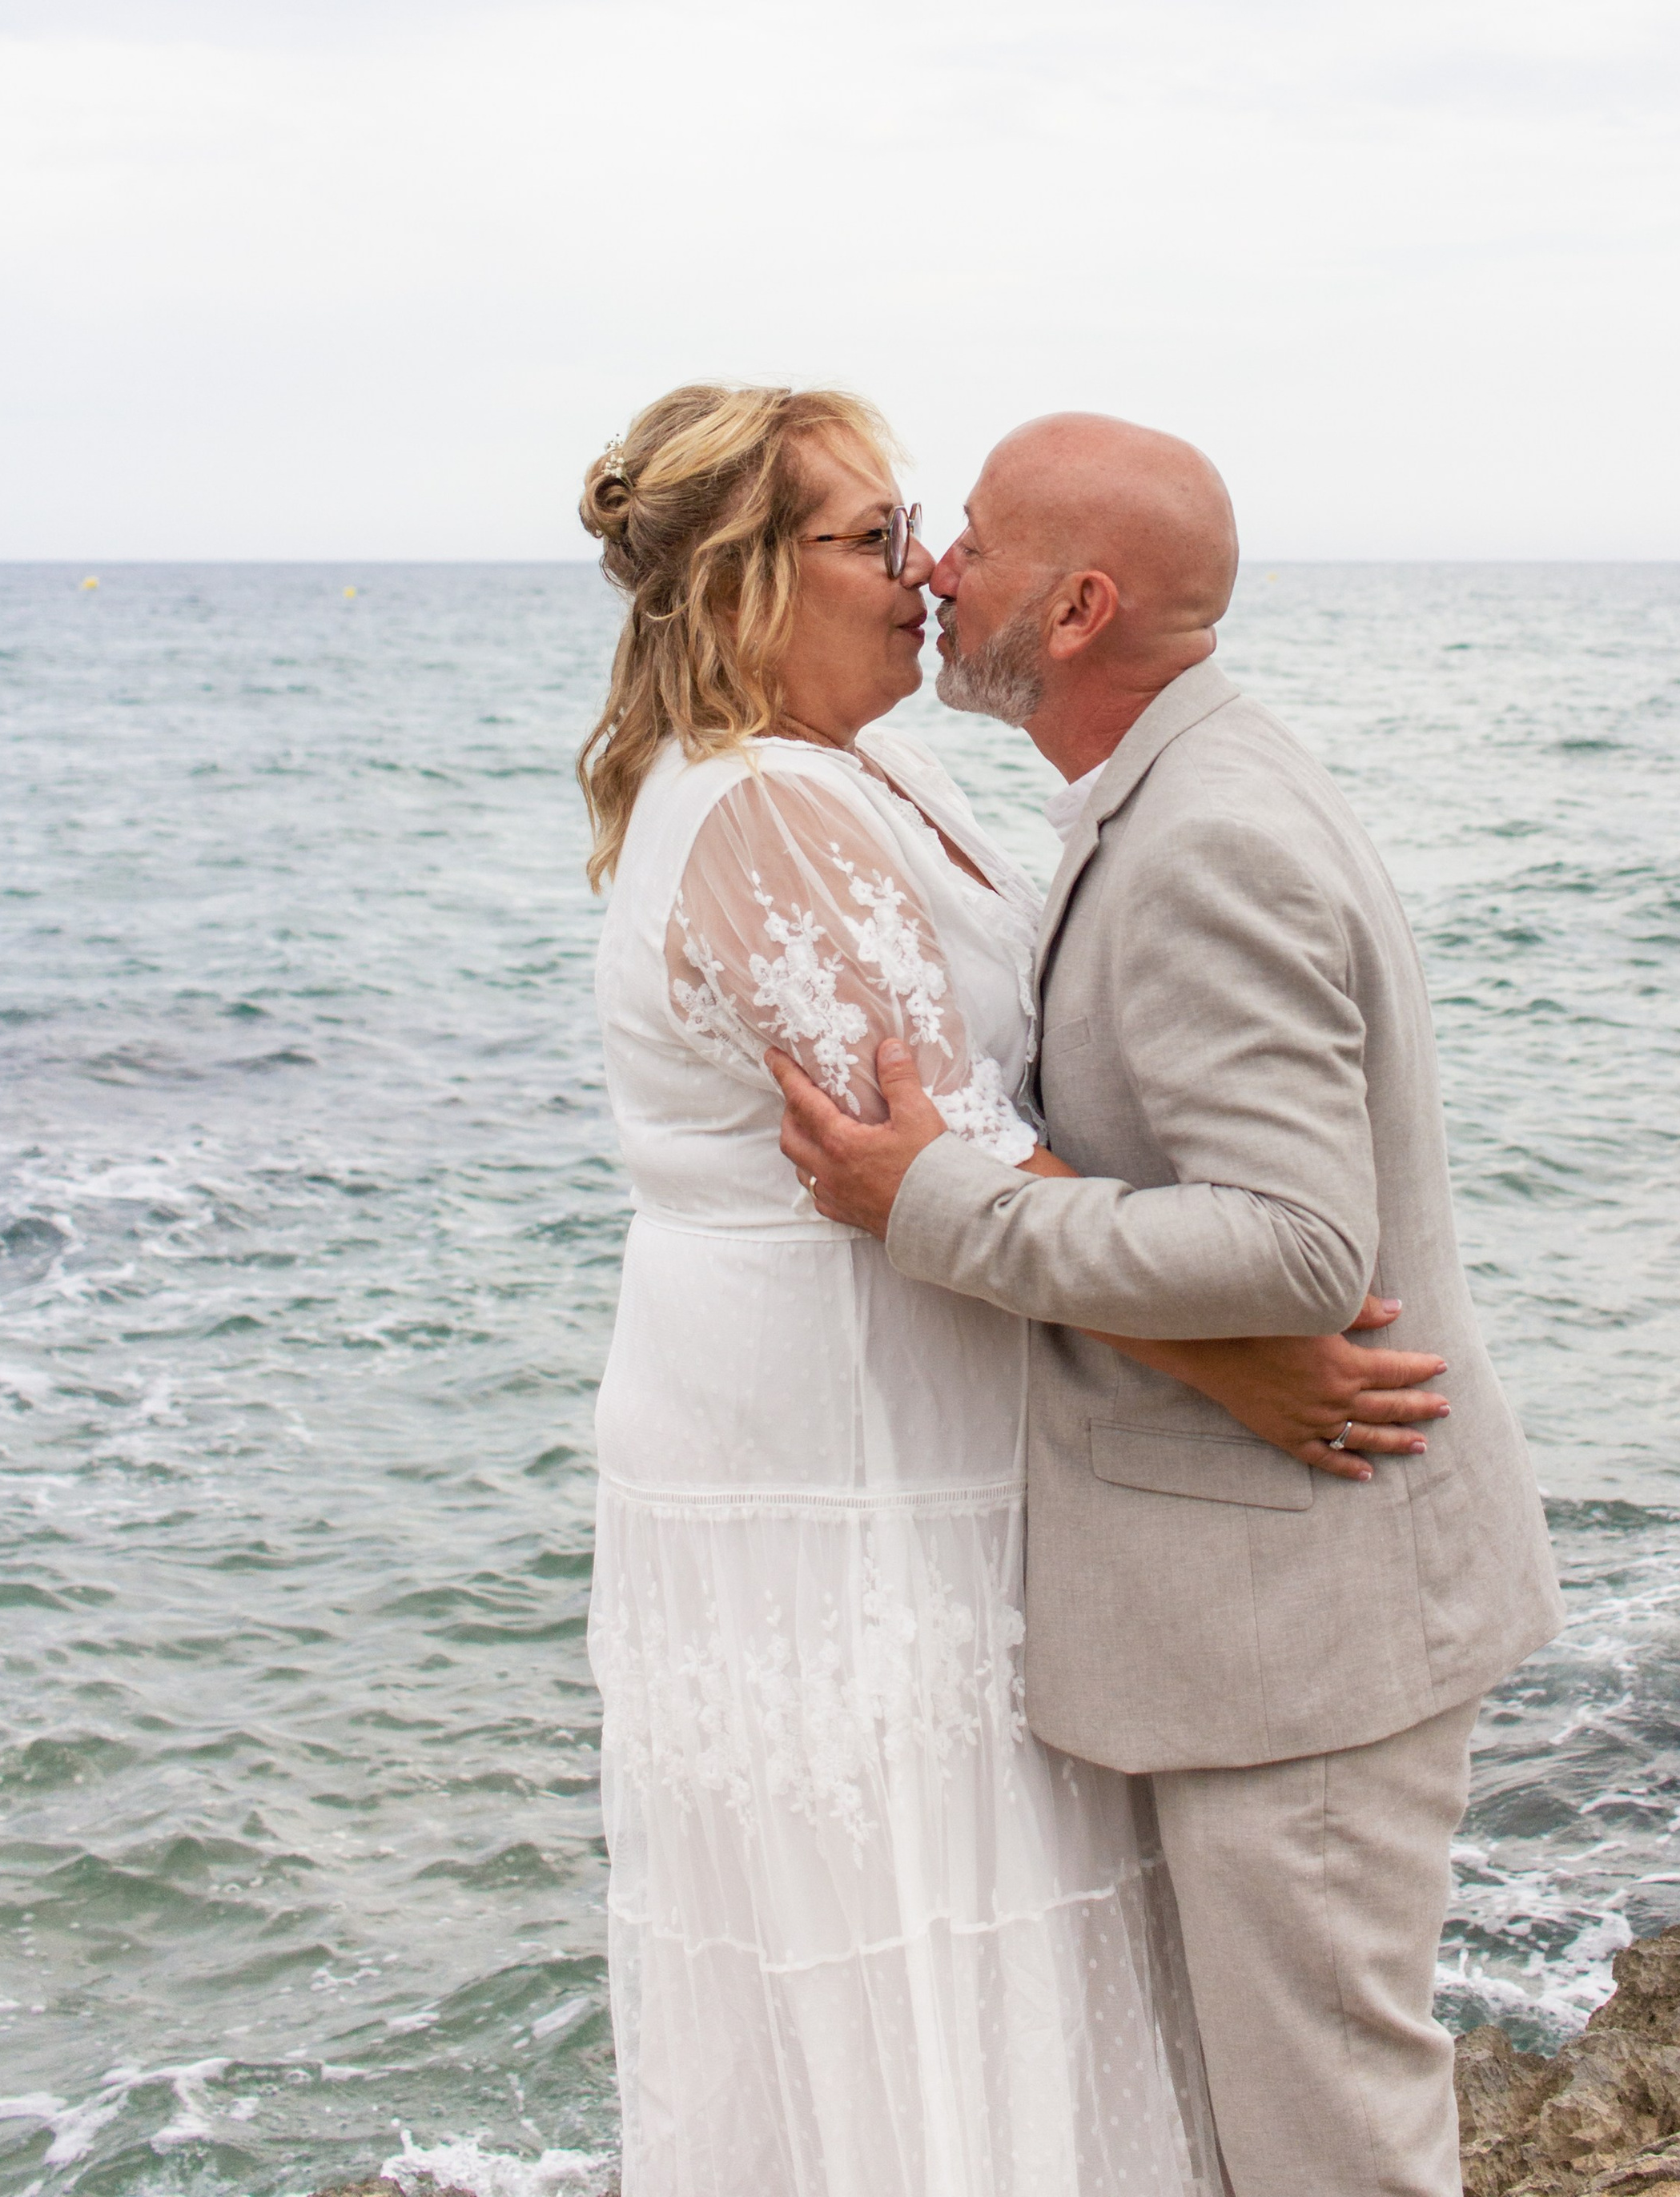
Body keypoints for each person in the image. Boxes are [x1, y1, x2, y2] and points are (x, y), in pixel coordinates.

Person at [576, 383, 1445, 2197]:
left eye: (923, 534)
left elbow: (960, 1162)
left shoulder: (862, 766)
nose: (917, 575)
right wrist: (1239, 1375)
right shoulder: (758, 811)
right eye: (873, 538)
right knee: (909, 1919)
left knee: (998, 1917)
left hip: (933, 1400)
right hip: (838, 1440)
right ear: (744, 579)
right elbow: (925, 1158)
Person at [774, 411, 1566, 2197]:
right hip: (1281, 1611)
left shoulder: (1205, 834)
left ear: (1073, 611)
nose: (930, 566)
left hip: (1305, 1628)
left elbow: (1292, 1248)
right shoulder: (1188, 778)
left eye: (969, 539)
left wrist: (938, 1205)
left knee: (1323, 2146)